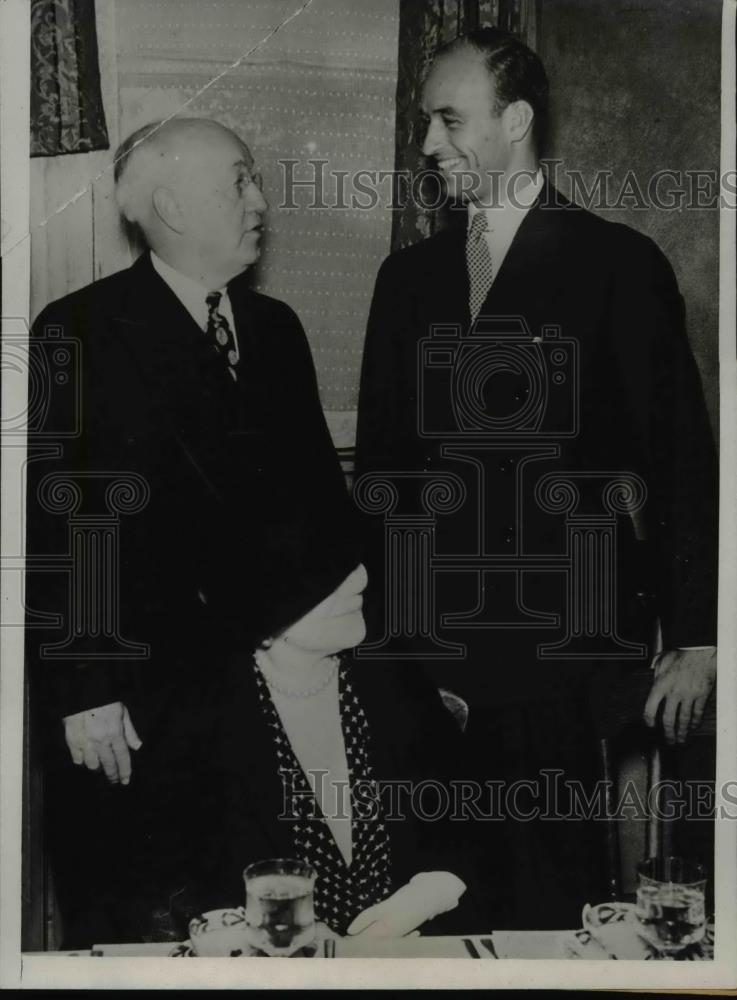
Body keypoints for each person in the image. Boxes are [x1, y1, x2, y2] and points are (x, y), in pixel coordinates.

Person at [355, 28, 718, 927]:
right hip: (424, 664)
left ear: (514, 120)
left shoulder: (617, 266)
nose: (429, 144)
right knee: (433, 907)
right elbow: (383, 477)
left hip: (562, 659)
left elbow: (680, 464)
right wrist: (392, 653)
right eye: (423, 123)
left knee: (549, 907)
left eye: (448, 119)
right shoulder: (406, 280)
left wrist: (702, 638)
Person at [25, 117, 355, 946]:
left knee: (260, 924)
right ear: (169, 205)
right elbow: (60, 530)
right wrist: (85, 692)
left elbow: (321, 510)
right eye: (239, 181)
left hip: (262, 696)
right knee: (139, 929)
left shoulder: (275, 330)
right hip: (132, 709)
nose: (260, 200)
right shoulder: (79, 331)